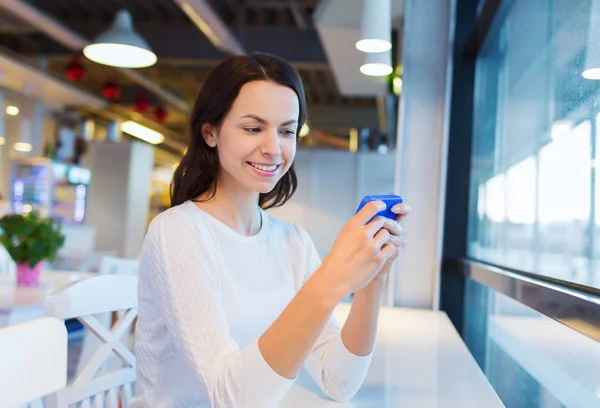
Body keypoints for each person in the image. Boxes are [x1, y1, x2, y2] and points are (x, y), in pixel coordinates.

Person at [132, 53, 410, 408]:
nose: (273, 148)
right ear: (210, 132)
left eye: (287, 131)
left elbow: (338, 382)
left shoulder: (292, 241)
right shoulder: (177, 232)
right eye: (252, 128)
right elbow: (228, 397)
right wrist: (331, 280)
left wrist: (373, 278)